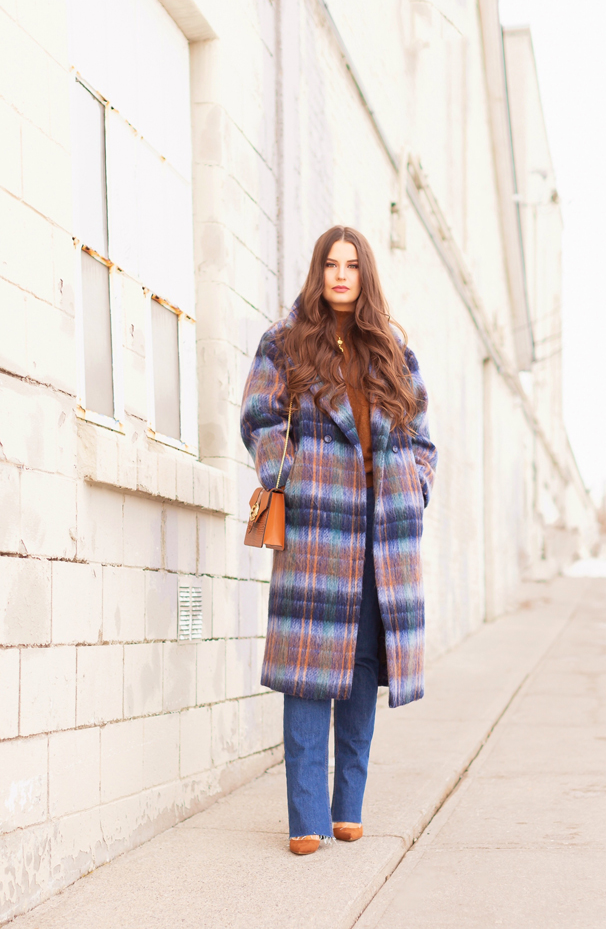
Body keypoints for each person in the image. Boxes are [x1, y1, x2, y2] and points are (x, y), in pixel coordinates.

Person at [240, 226, 437, 855]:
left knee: (359, 675)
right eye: (332, 262)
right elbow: (259, 417)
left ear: (366, 274)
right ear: (318, 271)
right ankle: (306, 819)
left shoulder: (395, 356)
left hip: (383, 539)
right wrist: (290, 475)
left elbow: (423, 442)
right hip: (318, 533)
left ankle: (348, 806)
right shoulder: (286, 344)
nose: (342, 274)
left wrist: (416, 488)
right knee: (307, 676)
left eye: (353, 264)